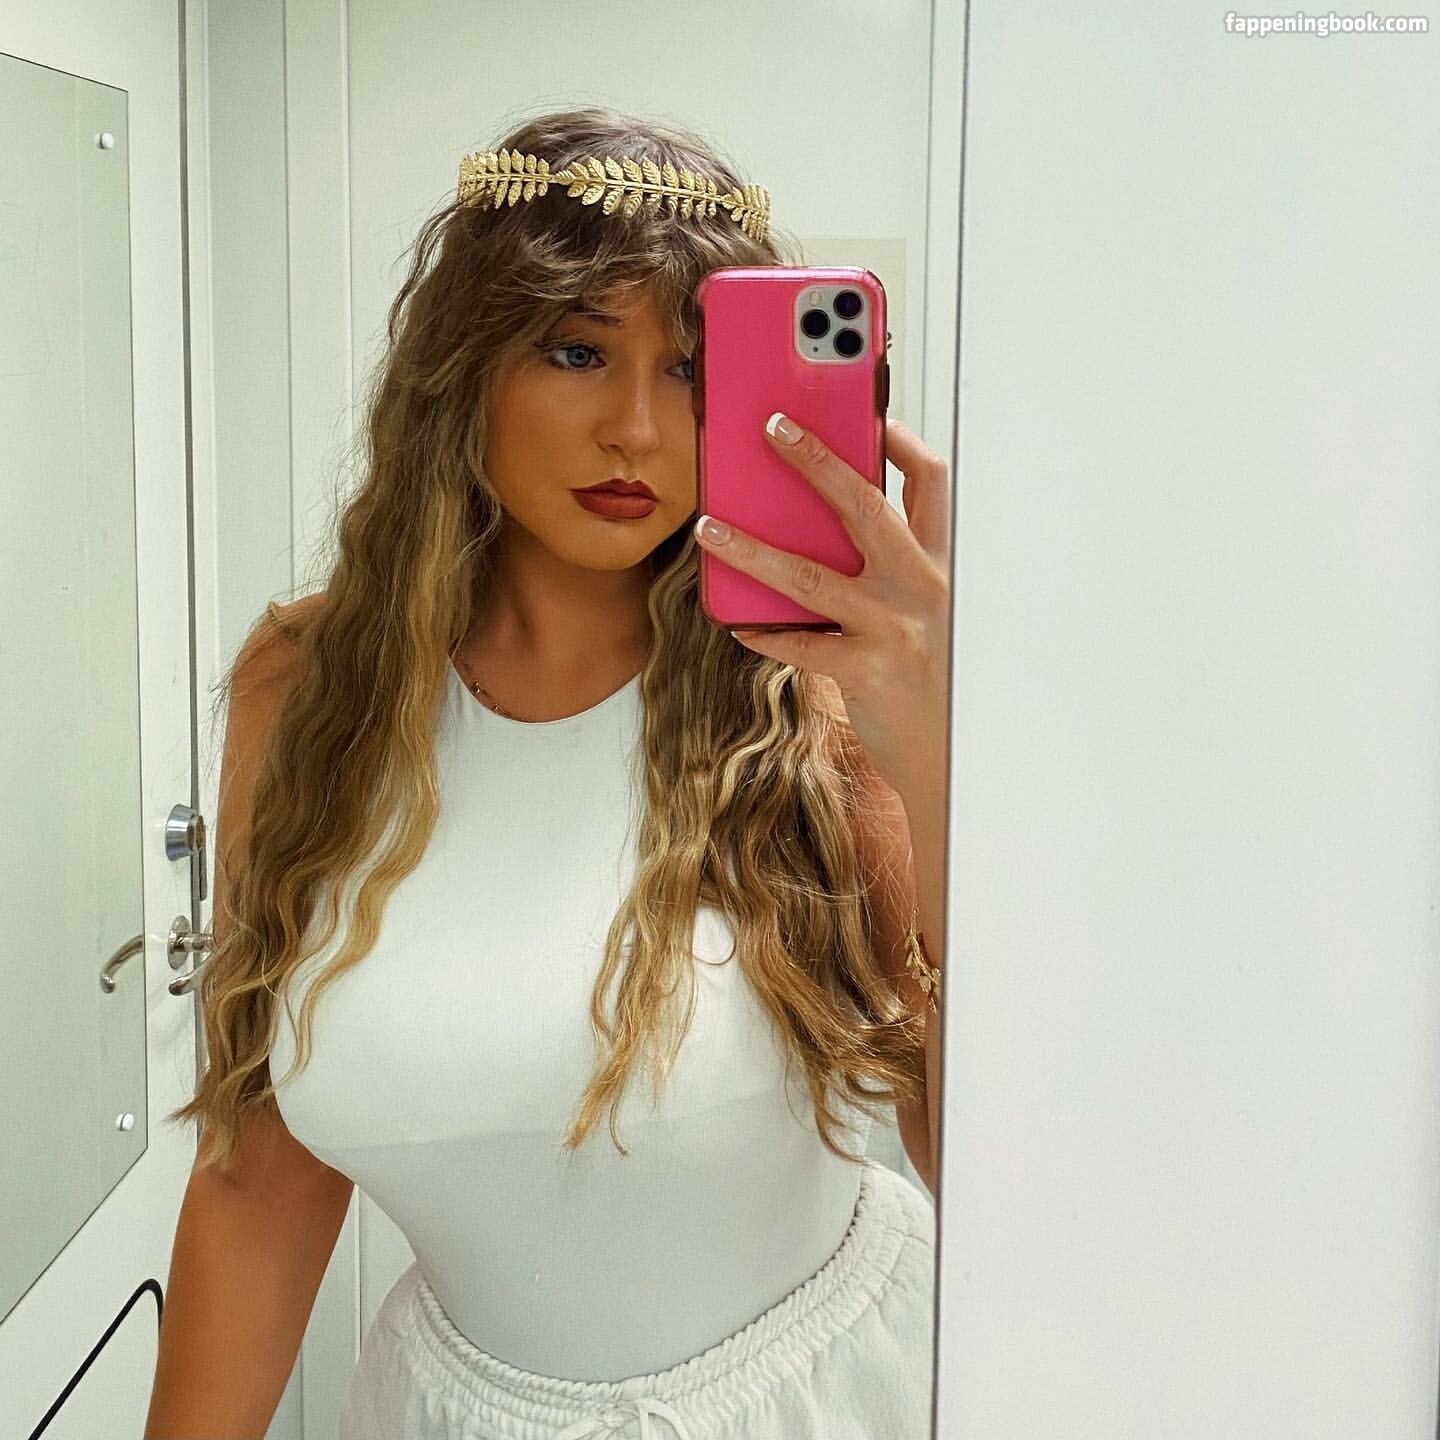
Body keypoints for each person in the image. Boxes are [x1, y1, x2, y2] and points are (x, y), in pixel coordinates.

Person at [145, 105, 952, 1440]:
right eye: (577, 351)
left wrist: (930, 739)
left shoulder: (819, 690)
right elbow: (261, 1170)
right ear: (462, 368)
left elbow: (977, 1148)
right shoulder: (308, 692)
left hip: (825, 1401)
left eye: (692, 369)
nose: (637, 427)